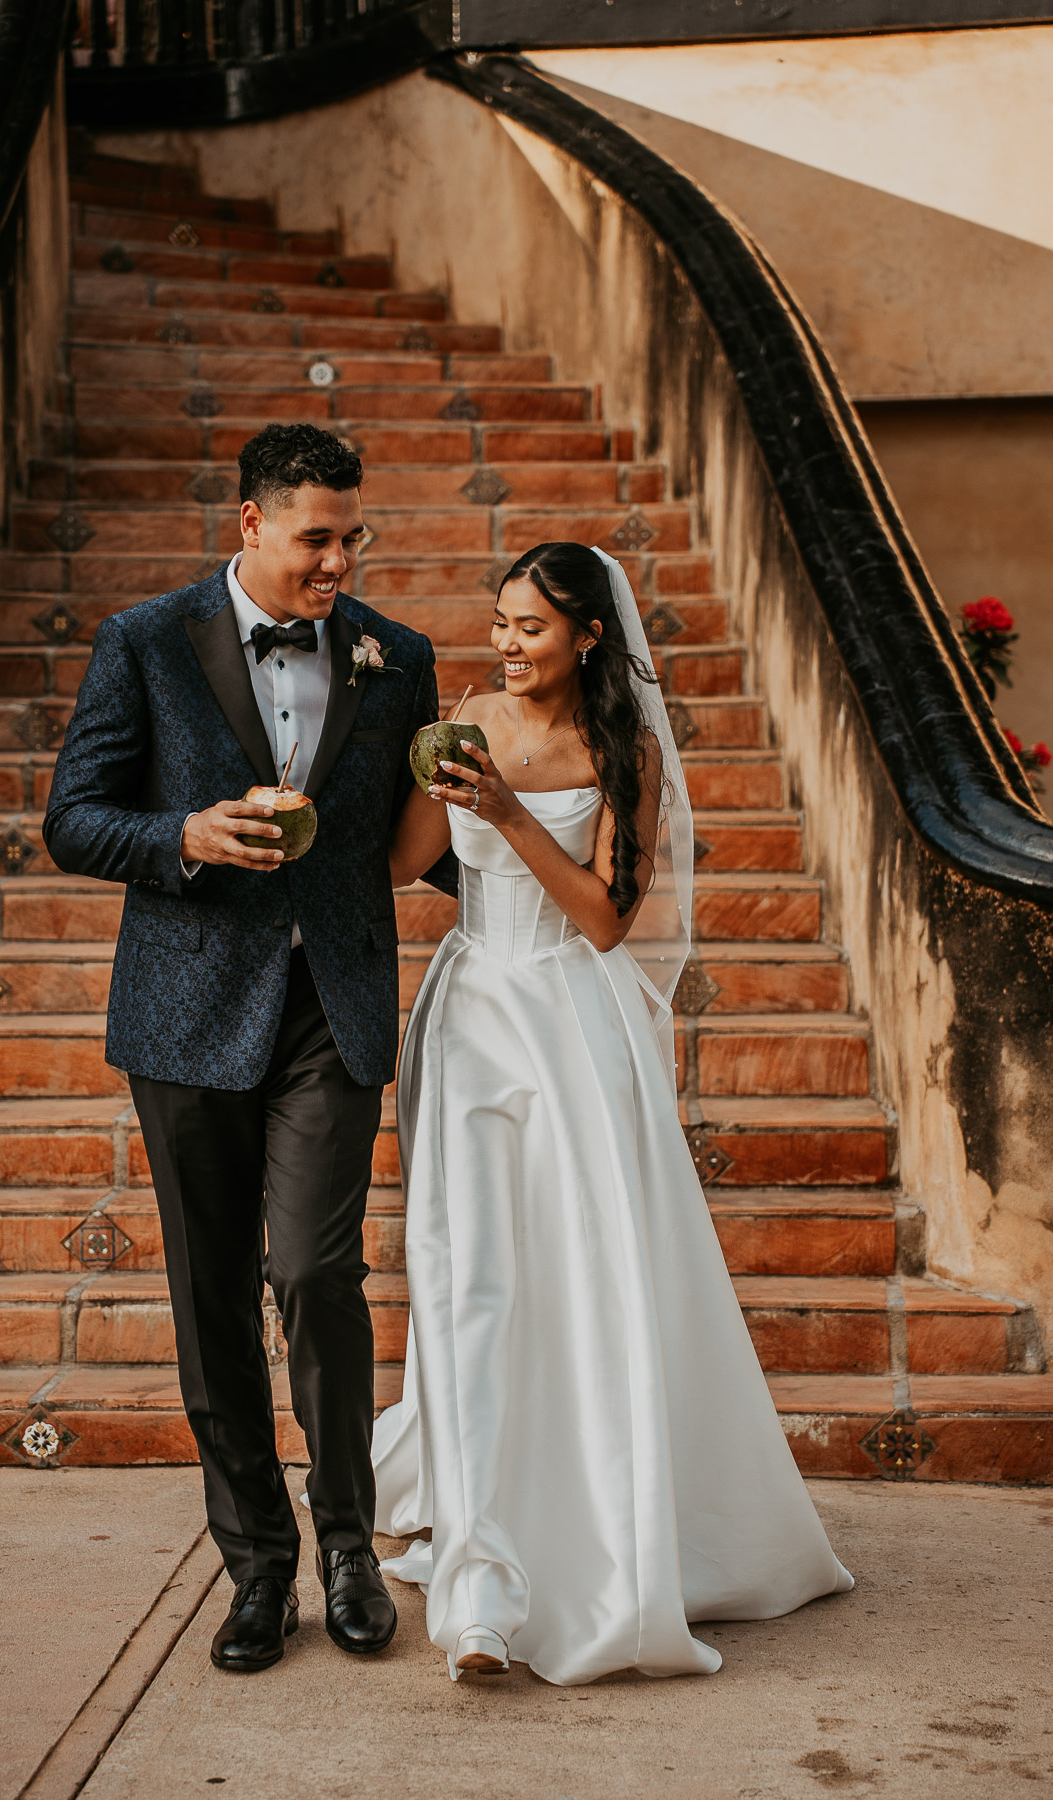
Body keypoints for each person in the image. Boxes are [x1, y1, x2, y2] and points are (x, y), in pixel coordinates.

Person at [372, 541, 853, 1685]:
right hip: (472, 1010)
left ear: (587, 637)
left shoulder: (623, 752)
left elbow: (604, 921)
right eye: (499, 623)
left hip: (573, 1024)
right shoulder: (472, 714)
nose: (505, 643)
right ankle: (482, 1576)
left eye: (529, 627)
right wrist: (435, 788)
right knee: (469, 1271)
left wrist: (511, 809)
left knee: (587, 1271)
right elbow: (404, 861)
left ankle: (603, 1514)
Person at [44, 423, 456, 1674]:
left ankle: (346, 1544)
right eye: (315, 537)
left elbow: (419, 831)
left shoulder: (401, 658)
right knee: (210, 1290)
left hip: (330, 1006)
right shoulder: (145, 641)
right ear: (250, 525)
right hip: (184, 1008)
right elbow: (73, 819)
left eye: (352, 535)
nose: (338, 559)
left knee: (315, 1271)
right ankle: (257, 1563)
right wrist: (186, 834)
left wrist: (544, 832)